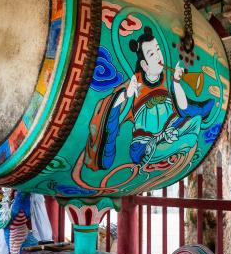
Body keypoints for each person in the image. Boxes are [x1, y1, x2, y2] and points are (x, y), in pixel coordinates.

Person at [85, 26, 214, 170]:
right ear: (144, 65)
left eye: (158, 50)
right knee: (142, 152)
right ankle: (164, 147)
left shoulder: (167, 78)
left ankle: (171, 143)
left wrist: (177, 82)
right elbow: (111, 109)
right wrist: (126, 95)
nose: (159, 56)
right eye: (152, 54)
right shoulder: (135, 83)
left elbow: (183, 107)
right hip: (147, 141)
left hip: (172, 128)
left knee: (195, 121)